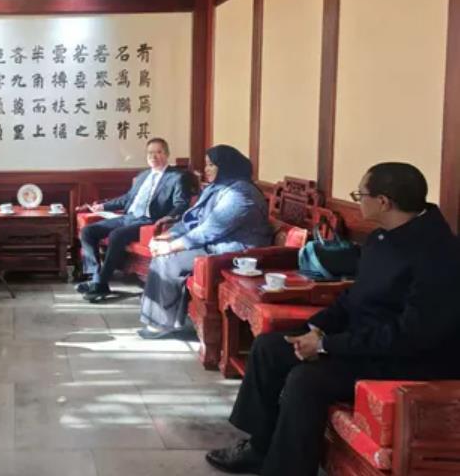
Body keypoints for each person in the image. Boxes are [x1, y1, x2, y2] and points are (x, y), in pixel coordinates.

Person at [206, 162, 460, 476]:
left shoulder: (438, 254)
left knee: (306, 380)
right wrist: (316, 328)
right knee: (270, 348)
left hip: (404, 357)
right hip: (362, 340)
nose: (358, 200)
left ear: (384, 202)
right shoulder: (381, 238)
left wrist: (327, 345)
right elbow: (353, 299)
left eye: (360, 194)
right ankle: (259, 448)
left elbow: (412, 334)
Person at [128, 145, 273, 333]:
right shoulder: (217, 187)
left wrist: (171, 247)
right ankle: (164, 320)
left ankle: (160, 324)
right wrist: (166, 237)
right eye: (206, 164)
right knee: (162, 256)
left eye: (211, 165)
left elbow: (210, 229)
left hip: (234, 252)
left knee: (168, 259)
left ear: (226, 165)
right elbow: (192, 219)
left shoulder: (241, 193)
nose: (206, 169)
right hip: (213, 245)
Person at [75, 137, 191, 300]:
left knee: (117, 235)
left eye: (158, 152)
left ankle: (101, 284)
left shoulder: (177, 177)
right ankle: (95, 278)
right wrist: (104, 206)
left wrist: (167, 218)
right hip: (129, 217)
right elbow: (127, 199)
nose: (153, 156)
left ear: (166, 154)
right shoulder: (143, 176)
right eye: (150, 153)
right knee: (88, 231)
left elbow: (181, 204)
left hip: (149, 221)